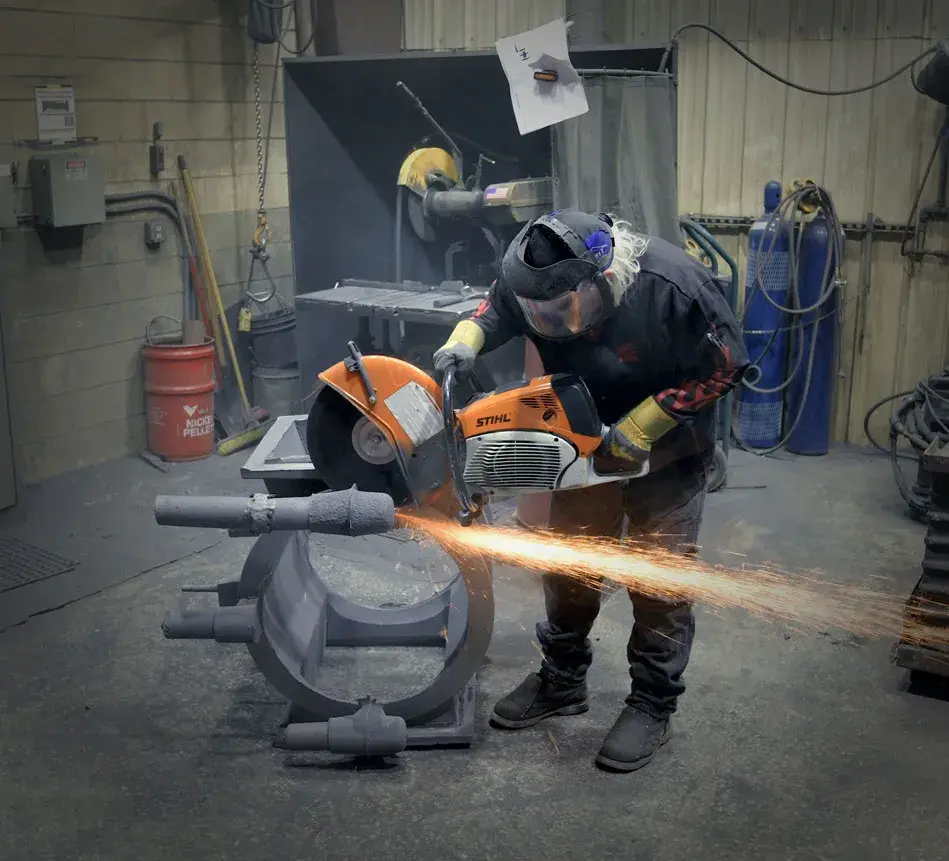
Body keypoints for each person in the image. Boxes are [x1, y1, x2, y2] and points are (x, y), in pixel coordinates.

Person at [431, 209, 749, 772]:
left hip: (668, 453)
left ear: (603, 278)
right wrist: (465, 341)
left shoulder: (676, 287)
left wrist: (643, 425)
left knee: (658, 580)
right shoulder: (531, 281)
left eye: (562, 310)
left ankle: (652, 703)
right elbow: (496, 308)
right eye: (540, 313)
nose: (552, 323)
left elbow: (727, 367)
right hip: (578, 443)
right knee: (568, 564)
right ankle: (562, 680)